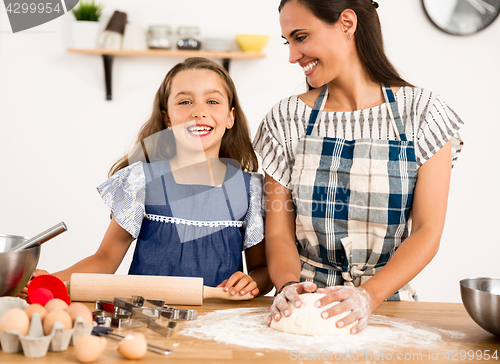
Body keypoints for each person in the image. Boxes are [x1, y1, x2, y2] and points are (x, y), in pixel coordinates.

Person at [253, 0, 463, 334]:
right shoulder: (285, 120)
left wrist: (367, 296)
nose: (293, 56)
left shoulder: (423, 114)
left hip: (386, 309)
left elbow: (427, 230)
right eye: (287, 42)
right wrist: (288, 288)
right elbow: (278, 232)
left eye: (301, 37)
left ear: (347, 23)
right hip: (305, 308)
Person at [27, 57, 272, 298]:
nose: (199, 111)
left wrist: (253, 282)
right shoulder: (141, 181)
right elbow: (104, 259)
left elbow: (261, 271)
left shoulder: (249, 189)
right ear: (167, 119)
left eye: (212, 101)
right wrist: (51, 280)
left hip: (219, 323)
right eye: (185, 101)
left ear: (230, 117)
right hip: (145, 317)